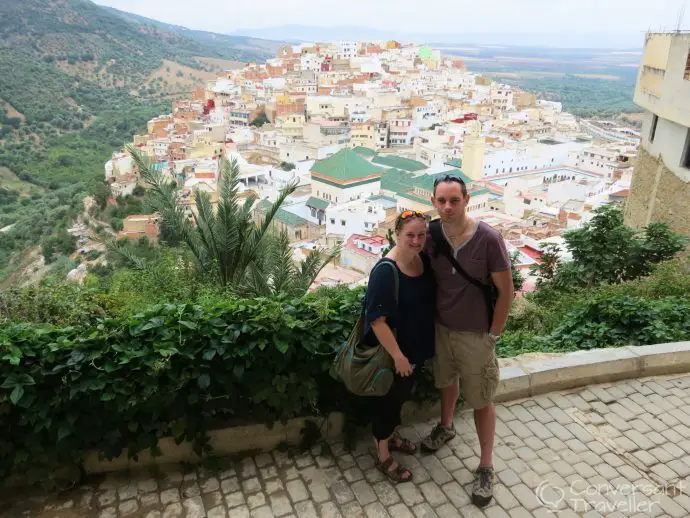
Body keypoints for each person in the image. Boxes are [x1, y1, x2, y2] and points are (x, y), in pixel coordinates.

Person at [421, 175, 514, 508]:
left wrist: (494, 335)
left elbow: (507, 292)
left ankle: (486, 464)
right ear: (433, 201)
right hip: (441, 328)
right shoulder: (430, 234)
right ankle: (446, 427)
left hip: (476, 334)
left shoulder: (488, 238)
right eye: (441, 201)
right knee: (446, 383)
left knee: (481, 399)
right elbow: (403, 251)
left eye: (454, 200)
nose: (447, 207)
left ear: (466, 200)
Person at [361, 210, 436, 483]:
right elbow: (377, 320)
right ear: (396, 235)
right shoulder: (386, 271)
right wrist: (398, 357)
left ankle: (390, 437)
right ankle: (383, 455)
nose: (416, 241)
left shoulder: (421, 261)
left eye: (421, 235)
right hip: (395, 355)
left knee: (400, 397)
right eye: (410, 235)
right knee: (388, 402)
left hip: (415, 349)